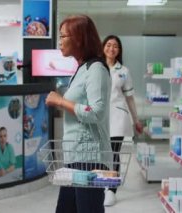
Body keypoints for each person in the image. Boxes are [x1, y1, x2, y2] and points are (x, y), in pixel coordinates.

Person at [45, 15, 111, 213]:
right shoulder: (81, 68)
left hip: (89, 157)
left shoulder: (96, 68)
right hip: (75, 155)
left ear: (79, 39)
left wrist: (60, 101)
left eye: (63, 36)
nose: (60, 41)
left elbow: (97, 112)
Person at [102, 35, 143, 206]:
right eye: (109, 45)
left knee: (113, 152)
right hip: (99, 116)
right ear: (103, 47)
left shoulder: (123, 71)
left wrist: (136, 119)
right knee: (101, 153)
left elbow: (130, 98)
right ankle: (102, 184)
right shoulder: (96, 67)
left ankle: (111, 190)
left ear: (119, 51)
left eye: (115, 46)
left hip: (118, 117)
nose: (112, 49)